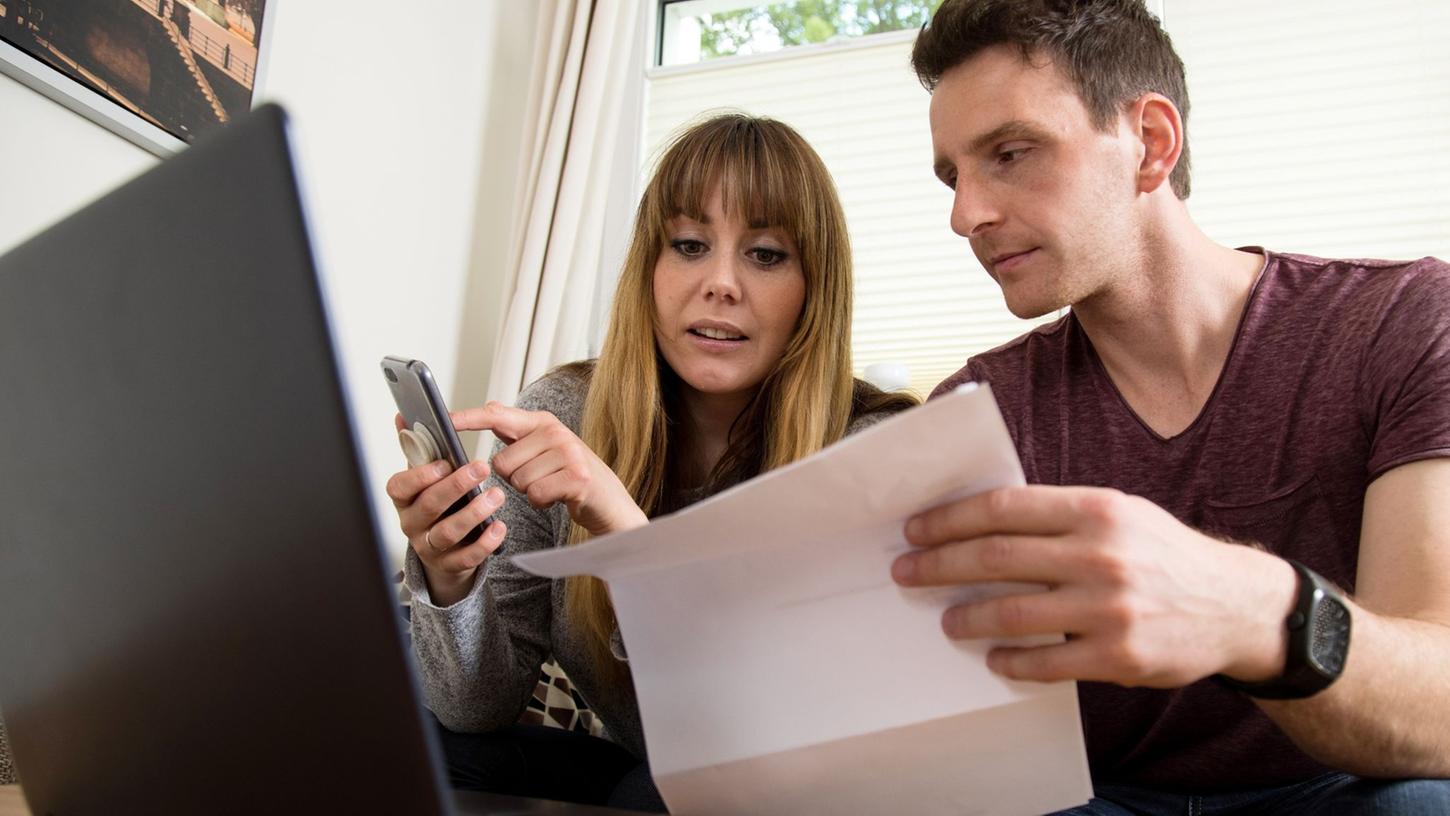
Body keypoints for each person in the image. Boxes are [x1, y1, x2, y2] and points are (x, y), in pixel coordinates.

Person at [888, 1, 1450, 813]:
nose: (965, 214)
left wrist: (1250, 608)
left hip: (1336, 789)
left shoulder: (1399, 323)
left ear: (1150, 144)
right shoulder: (977, 411)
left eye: (1010, 154)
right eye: (952, 176)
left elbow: (1436, 709)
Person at [386, 113, 917, 811]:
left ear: (814, 287)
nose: (721, 283)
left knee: (656, 797)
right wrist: (449, 583)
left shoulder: (870, 447)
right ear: (650, 269)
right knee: (421, 745)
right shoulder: (566, 411)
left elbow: (764, 736)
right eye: (690, 244)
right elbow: (475, 709)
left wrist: (625, 533)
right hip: (641, 766)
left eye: (765, 254)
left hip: (796, 786)